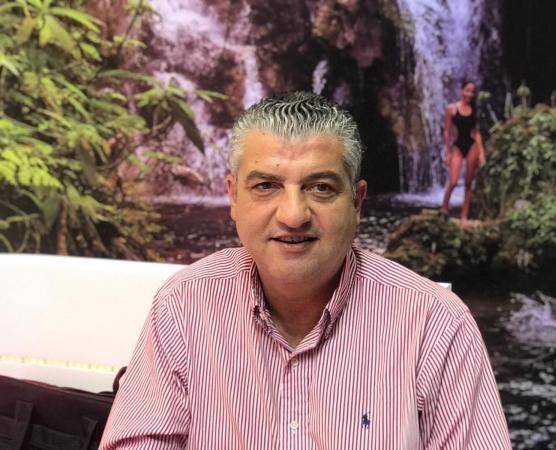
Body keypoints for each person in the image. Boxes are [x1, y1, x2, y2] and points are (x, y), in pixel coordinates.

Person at [99, 92, 511, 449]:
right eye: (266, 186)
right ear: (233, 197)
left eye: (321, 187)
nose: (293, 215)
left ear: (357, 202)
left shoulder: (436, 325)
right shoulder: (185, 305)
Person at [441, 81, 486, 226]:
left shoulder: (474, 110)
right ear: (461, 91)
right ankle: (443, 209)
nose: (470, 94)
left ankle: (463, 217)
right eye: (467, 90)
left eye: (472, 92)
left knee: (468, 184)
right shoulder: (451, 109)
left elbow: (476, 132)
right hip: (457, 146)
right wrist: (447, 151)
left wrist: (481, 153)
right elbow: (446, 131)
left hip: (472, 146)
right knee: (453, 181)